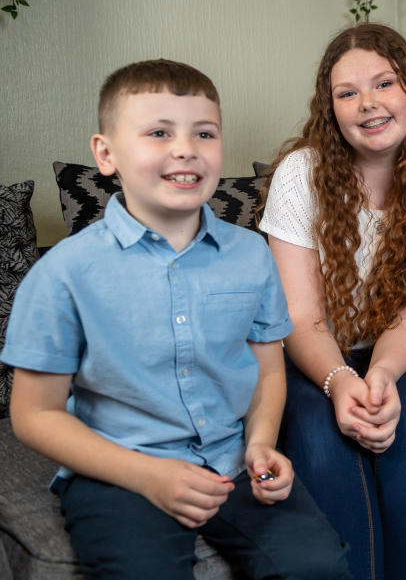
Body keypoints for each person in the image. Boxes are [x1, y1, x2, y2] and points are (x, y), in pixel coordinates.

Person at [2, 59, 350, 579]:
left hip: (231, 462)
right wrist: (147, 476)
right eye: (159, 132)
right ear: (106, 153)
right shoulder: (66, 273)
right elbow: (33, 414)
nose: (185, 148)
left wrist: (260, 444)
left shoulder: (251, 255)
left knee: (318, 566)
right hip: (117, 472)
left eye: (204, 133)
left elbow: (268, 368)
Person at [258, 24, 406, 580]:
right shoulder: (305, 174)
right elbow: (299, 316)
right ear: (331, 109)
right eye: (347, 93)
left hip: (400, 347)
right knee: (320, 433)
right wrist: (341, 381)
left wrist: (385, 372)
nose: (368, 104)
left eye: (384, 83)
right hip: (313, 350)